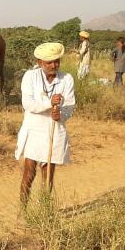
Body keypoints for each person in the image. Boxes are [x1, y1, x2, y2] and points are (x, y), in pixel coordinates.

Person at [15, 42, 76, 207]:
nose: (53, 65)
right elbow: (28, 104)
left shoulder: (67, 79)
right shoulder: (30, 76)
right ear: (40, 62)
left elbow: (69, 106)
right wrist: (49, 103)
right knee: (29, 172)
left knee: (48, 173)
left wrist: (61, 115)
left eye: (56, 61)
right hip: (34, 128)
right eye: (49, 62)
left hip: (54, 129)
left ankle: (44, 210)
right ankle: (23, 210)